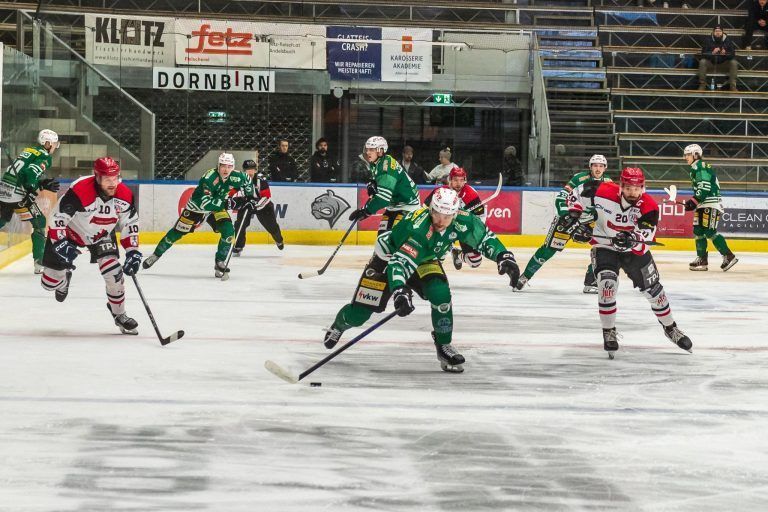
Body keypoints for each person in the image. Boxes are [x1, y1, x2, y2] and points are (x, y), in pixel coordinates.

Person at [323, 187, 521, 373]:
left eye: (447, 216)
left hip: (425, 259)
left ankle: (443, 344)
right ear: (431, 209)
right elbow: (399, 264)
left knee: (441, 294)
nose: (441, 220)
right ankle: (339, 325)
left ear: (455, 213)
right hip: (388, 259)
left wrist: (503, 256)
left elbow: (484, 238)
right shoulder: (418, 228)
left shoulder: (463, 219)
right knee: (360, 314)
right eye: (437, 214)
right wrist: (400, 290)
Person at [573, 167, 692, 358]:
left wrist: (632, 238)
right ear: (621, 186)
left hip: (635, 251)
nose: (632, 192)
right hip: (605, 246)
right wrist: (576, 221)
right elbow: (575, 197)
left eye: (637, 188)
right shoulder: (602, 190)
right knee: (606, 286)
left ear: (643, 188)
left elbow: (646, 235)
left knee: (655, 292)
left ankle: (671, 328)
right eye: (628, 188)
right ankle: (609, 332)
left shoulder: (650, 206)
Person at [40, 157, 142, 335]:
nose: (113, 183)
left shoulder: (124, 194)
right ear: (97, 176)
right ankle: (63, 280)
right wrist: (61, 243)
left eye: (116, 178)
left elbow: (130, 223)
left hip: (102, 234)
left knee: (114, 274)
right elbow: (58, 218)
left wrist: (133, 252)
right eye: (107, 179)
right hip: (71, 233)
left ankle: (120, 314)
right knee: (49, 283)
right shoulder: (80, 190)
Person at [142, 153, 257, 278]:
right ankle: (156, 254)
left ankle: (220, 262)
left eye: (229, 166)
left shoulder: (236, 176)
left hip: (216, 209)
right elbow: (206, 203)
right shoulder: (209, 178)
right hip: (196, 209)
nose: (226, 169)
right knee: (176, 233)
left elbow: (247, 180)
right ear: (218, 166)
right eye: (223, 166)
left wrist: (250, 197)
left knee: (229, 232)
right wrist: (230, 203)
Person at [516, 154, 611, 293]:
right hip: (571, 218)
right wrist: (566, 214)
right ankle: (525, 276)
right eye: (595, 165)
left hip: (590, 221)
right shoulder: (580, 178)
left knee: (604, 248)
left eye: (601, 166)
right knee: (549, 249)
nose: (598, 168)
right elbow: (562, 196)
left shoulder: (608, 182)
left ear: (605, 168)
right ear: (590, 167)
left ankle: (591, 281)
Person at [0, 129, 60, 273]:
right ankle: (39, 262)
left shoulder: (30, 150)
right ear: (47, 143)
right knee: (39, 222)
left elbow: (23, 173)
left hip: (3, 190)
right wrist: (32, 187)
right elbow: (29, 173)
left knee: (2, 219)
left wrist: (41, 183)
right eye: (54, 143)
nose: (55, 147)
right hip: (17, 195)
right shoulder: (45, 155)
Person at [348, 136, 420, 237]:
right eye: (367, 149)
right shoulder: (377, 162)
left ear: (381, 151)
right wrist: (373, 183)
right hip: (394, 204)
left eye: (371, 150)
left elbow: (383, 199)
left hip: (408, 205)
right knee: (382, 238)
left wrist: (366, 211)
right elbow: (379, 181)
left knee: (393, 238)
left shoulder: (386, 168)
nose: (368, 152)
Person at [683, 144, 738, 271]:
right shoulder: (696, 167)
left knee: (709, 231)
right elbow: (702, 188)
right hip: (704, 203)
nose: (685, 157)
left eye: (688, 154)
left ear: (695, 155)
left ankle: (728, 255)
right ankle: (702, 259)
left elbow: (705, 186)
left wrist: (694, 200)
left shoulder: (699, 166)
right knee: (698, 231)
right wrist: (694, 201)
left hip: (711, 203)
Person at [424, 167, 486, 270]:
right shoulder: (440, 192)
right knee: (437, 259)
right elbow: (425, 209)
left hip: (463, 229)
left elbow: (480, 217)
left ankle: (457, 253)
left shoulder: (471, 194)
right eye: (456, 180)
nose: (459, 183)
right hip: (443, 226)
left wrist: (473, 230)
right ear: (450, 180)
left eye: (461, 180)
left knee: (475, 260)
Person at [232, 159, 284, 255]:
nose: (250, 172)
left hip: (263, 205)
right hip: (246, 203)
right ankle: (238, 246)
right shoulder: (240, 179)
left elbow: (267, 196)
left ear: (256, 170)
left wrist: (256, 206)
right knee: (240, 224)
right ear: (244, 171)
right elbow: (232, 192)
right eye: (248, 169)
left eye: (252, 169)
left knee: (271, 226)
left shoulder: (261, 179)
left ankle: (279, 239)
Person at [698, 25, 738, 92]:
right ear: (713, 32)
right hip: (711, 63)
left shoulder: (728, 40)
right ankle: (702, 85)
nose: (718, 32)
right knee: (702, 62)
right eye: (716, 31)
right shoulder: (708, 40)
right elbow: (703, 53)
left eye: (719, 31)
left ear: (722, 32)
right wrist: (712, 53)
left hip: (724, 64)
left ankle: (733, 86)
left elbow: (733, 54)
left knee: (734, 63)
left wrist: (725, 54)